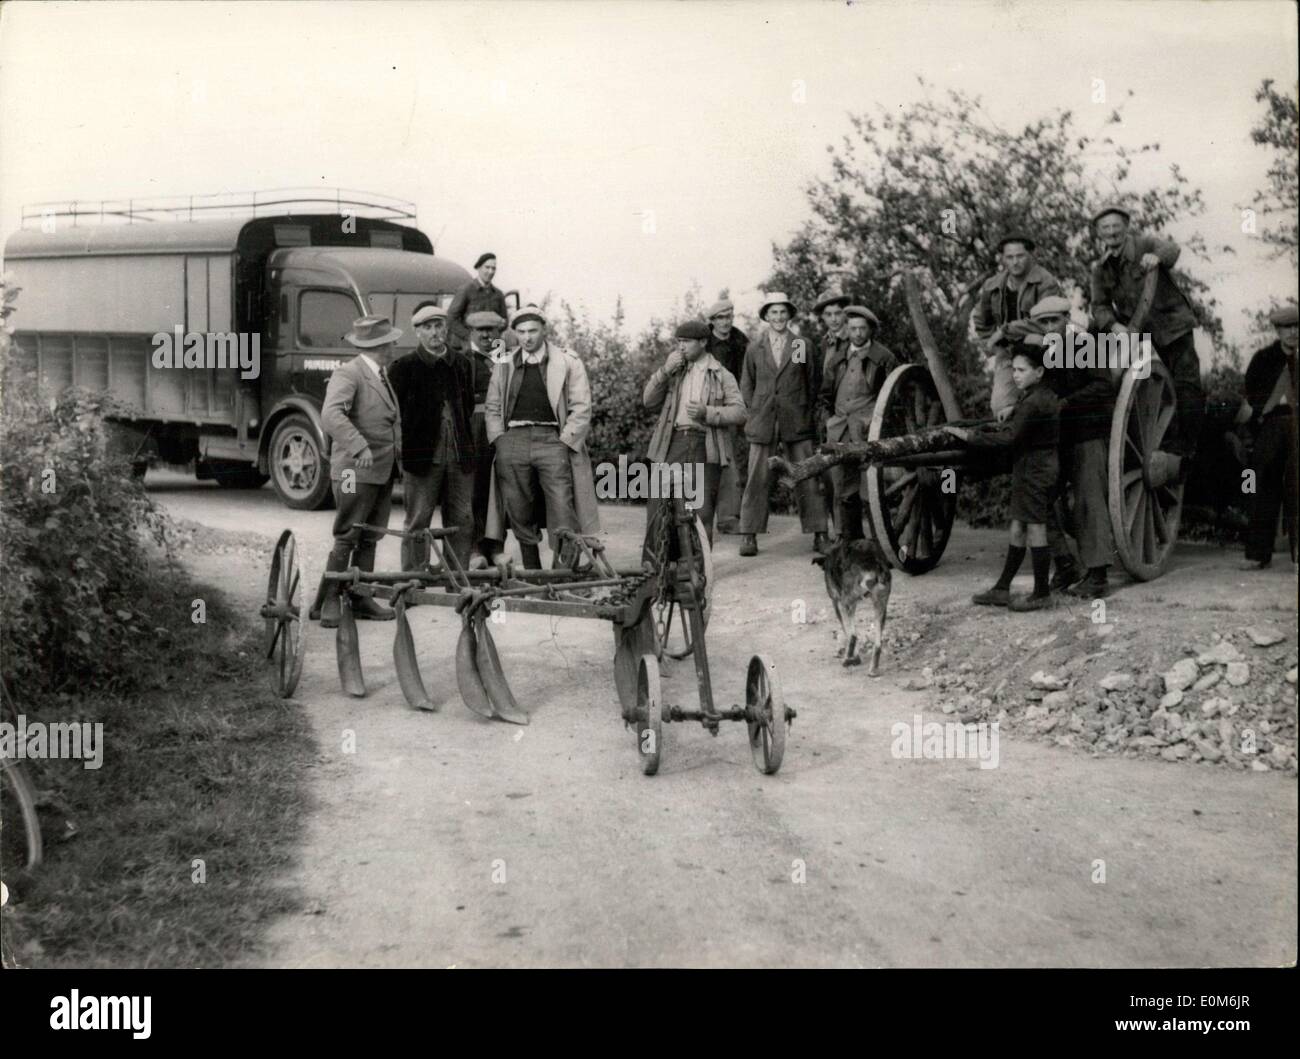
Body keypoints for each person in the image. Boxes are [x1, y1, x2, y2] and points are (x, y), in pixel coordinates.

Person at [1011, 296, 1118, 598]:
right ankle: (1066, 563)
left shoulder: (1084, 345)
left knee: (1089, 499)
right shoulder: (1044, 353)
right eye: (1043, 323)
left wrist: (1068, 403)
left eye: (1054, 321)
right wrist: (1017, 408)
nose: (1049, 328)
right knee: (1043, 498)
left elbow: (1103, 386)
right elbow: (1036, 389)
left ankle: (1098, 576)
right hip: (1058, 437)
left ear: (1066, 319)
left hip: (1088, 433)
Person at [484, 305, 600, 568]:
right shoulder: (504, 364)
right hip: (513, 440)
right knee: (518, 506)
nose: (527, 337)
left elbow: (581, 407)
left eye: (533, 331)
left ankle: (562, 571)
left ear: (544, 330)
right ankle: (532, 570)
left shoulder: (568, 361)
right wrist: (499, 440)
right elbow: (492, 406)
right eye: (522, 332)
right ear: (515, 333)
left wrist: (565, 440)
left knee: (562, 506)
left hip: (552, 441)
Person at [1089, 205, 1203, 470]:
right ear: (1099, 233)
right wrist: (1113, 325)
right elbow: (1099, 306)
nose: (1112, 232)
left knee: (1187, 386)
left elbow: (1172, 250)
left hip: (1174, 327)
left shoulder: (1146, 244)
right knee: (1148, 390)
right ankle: (1156, 446)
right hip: (1141, 337)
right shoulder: (1101, 269)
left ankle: (1188, 451)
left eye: (1116, 225)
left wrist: (1157, 257)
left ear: (1126, 227)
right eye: (1105, 228)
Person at [951, 349, 1061, 612]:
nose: (1015, 375)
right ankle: (1002, 588)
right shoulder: (1036, 397)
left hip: (1036, 469)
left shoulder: (1035, 402)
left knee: (1034, 528)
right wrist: (1014, 410)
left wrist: (970, 438)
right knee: (1017, 528)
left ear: (1039, 372)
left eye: (1021, 370)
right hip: (1031, 467)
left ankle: (1042, 594)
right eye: (1013, 370)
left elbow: (1009, 439)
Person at [311, 315, 403, 628]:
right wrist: (359, 446)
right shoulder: (349, 374)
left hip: (380, 470)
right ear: (379, 345)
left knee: (370, 536)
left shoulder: (381, 375)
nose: (393, 344)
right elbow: (330, 415)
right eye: (390, 340)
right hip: (353, 471)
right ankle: (331, 599)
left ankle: (360, 597)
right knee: (348, 533)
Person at [641, 319, 747, 562]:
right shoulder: (675, 369)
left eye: (686, 342)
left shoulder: (721, 374)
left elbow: (740, 412)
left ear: (703, 342)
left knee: (699, 512)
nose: (681, 348)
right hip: (672, 442)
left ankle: (696, 573)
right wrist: (664, 371)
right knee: (658, 506)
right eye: (678, 342)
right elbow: (648, 401)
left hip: (704, 444)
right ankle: (654, 569)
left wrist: (707, 413)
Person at [385, 303, 477, 574]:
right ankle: (414, 577)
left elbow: (468, 407)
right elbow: (395, 415)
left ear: (447, 329)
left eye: (439, 326)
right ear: (417, 332)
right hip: (421, 456)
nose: (435, 332)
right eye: (428, 327)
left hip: (460, 455)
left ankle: (457, 575)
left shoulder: (461, 364)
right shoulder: (404, 367)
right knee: (418, 520)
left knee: (462, 518)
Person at [738, 292, 829, 557]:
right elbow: (747, 384)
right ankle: (749, 535)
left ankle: (820, 533)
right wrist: (756, 410)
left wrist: (801, 407)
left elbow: (810, 381)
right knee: (757, 477)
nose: (778, 318)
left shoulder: (800, 346)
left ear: (789, 315)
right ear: (766, 316)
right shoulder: (755, 348)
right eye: (773, 313)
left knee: (807, 474)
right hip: (763, 420)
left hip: (796, 419)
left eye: (782, 312)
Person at [818, 305, 898, 541]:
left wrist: (879, 425)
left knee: (871, 489)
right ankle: (852, 542)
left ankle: (880, 543)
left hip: (869, 430)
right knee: (844, 488)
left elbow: (895, 397)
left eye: (863, 328)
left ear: (870, 330)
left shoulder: (884, 358)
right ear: (847, 329)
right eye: (853, 328)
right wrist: (827, 421)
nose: (858, 333)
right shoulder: (837, 358)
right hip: (840, 429)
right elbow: (824, 396)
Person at [972, 233, 1063, 421]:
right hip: (1009, 352)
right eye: (1009, 257)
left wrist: (1004, 331)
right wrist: (992, 344)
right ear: (1003, 258)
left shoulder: (1046, 282)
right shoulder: (993, 285)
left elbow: (1045, 322)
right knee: (1000, 406)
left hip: (1042, 350)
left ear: (1031, 255)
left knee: (1041, 403)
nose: (1015, 262)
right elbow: (980, 320)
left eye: (1020, 256)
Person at [1239, 303, 1299, 570]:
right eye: (1287, 328)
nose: (1293, 333)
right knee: (1261, 486)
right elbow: (1250, 394)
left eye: (1297, 327)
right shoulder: (1262, 359)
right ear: (1278, 330)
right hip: (1270, 427)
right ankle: (1259, 554)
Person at [464, 310, 509, 568]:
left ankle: (496, 546)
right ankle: (473, 549)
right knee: (474, 490)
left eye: (491, 330)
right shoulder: (463, 360)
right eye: (480, 330)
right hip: (474, 427)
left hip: (502, 428)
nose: (485, 335)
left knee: (499, 488)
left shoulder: (505, 359)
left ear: (498, 333)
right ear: (471, 332)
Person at [704, 299, 751, 535]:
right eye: (720, 318)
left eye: (729, 317)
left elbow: (748, 373)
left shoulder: (740, 341)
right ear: (712, 321)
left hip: (731, 407)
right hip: (704, 406)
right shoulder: (704, 341)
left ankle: (728, 516)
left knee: (730, 460)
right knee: (703, 460)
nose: (726, 322)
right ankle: (699, 516)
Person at [447, 252, 509, 345]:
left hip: (491, 345)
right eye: (487, 267)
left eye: (493, 268)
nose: (491, 272)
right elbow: (451, 318)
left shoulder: (498, 294)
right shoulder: (466, 290)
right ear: (479, 268)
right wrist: (468, 336)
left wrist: (495, 332)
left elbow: (504, 320)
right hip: (468, 346)